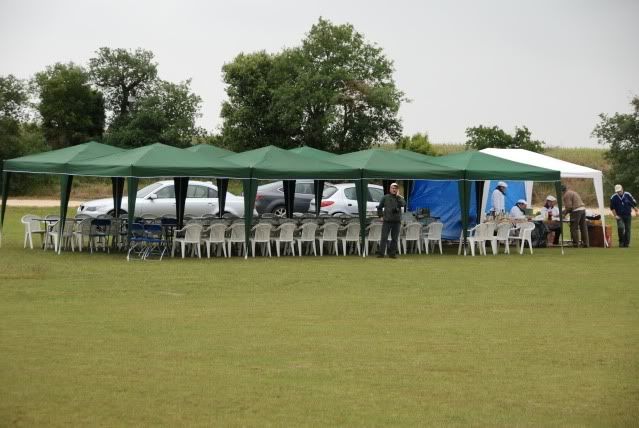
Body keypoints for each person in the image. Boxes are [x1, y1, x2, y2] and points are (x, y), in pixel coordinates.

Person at [376, 182, 405, 258]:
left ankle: (392, 254)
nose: (394, 190)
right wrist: (380, 216)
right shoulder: (385, 197)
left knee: (394, 238)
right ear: (390, 189)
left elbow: (403, 204)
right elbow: (379, 207)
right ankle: (381, 253)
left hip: (396, 221)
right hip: (387, 221)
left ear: (397, 190)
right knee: (384, 237)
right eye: (393, 188)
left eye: (395, 188)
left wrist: (398, 196)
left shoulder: (399, 198)